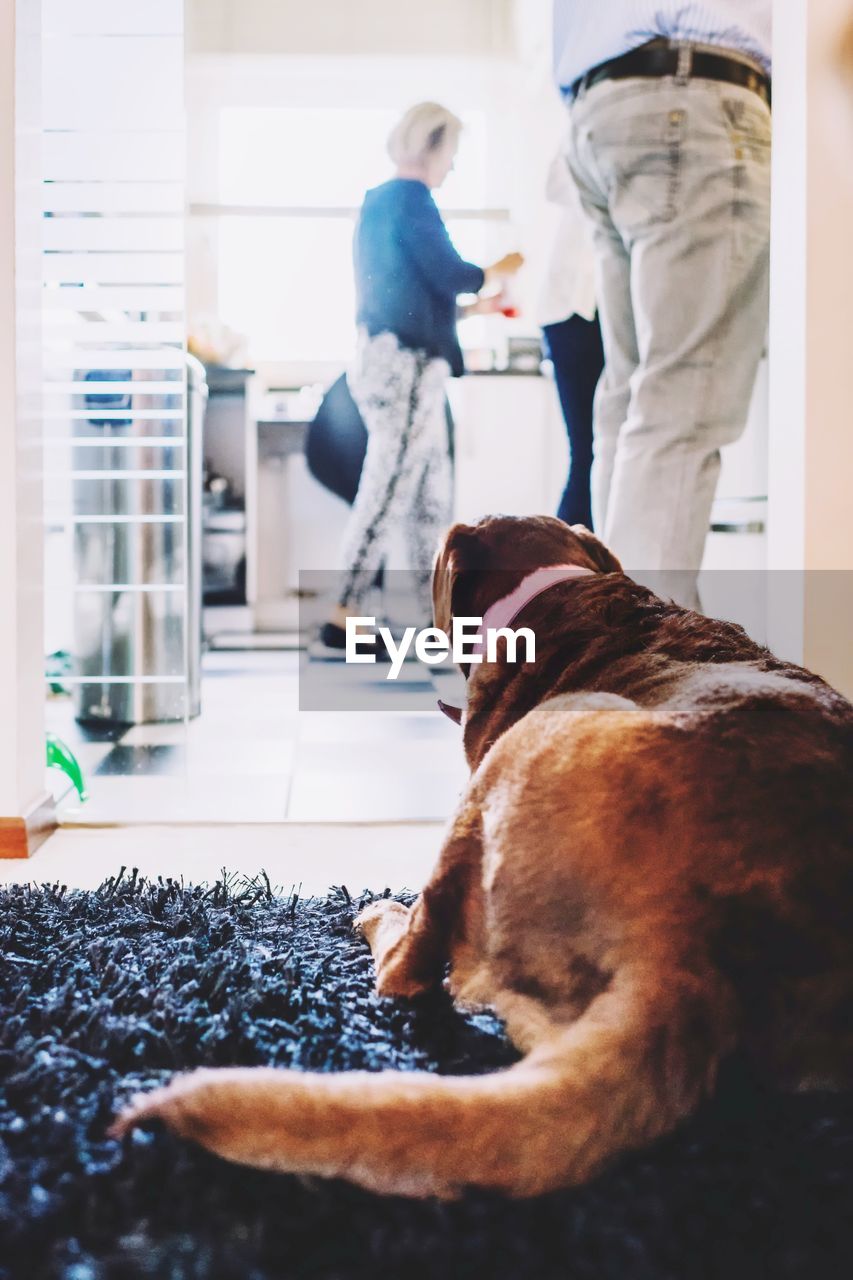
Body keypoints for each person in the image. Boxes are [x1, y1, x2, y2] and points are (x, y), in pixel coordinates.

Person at [553, 3, 772, 604]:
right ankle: (641, 670)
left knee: (629, 403)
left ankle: (614, 648)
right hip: (692, 95)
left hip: (600, 109)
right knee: (682, 403)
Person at [319, 102, 522, 653]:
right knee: (387, 490)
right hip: (403, 368)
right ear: (429, 145)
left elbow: (411, 296)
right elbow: (449, 272)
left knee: (430, 498)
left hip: (400, 361)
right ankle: (343, 611)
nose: (452, 166)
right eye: (451, 152)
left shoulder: (381, 206)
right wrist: (501, 266)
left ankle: (440, 620)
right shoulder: (409, 199)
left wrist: (475, 310)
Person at [538, 149, 604, 529]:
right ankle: (567, 576)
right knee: (589, 453)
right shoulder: (580, 142)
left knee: (595, 454)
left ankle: (576, 575)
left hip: (586, 312)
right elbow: (556, 184)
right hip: (574, 315)